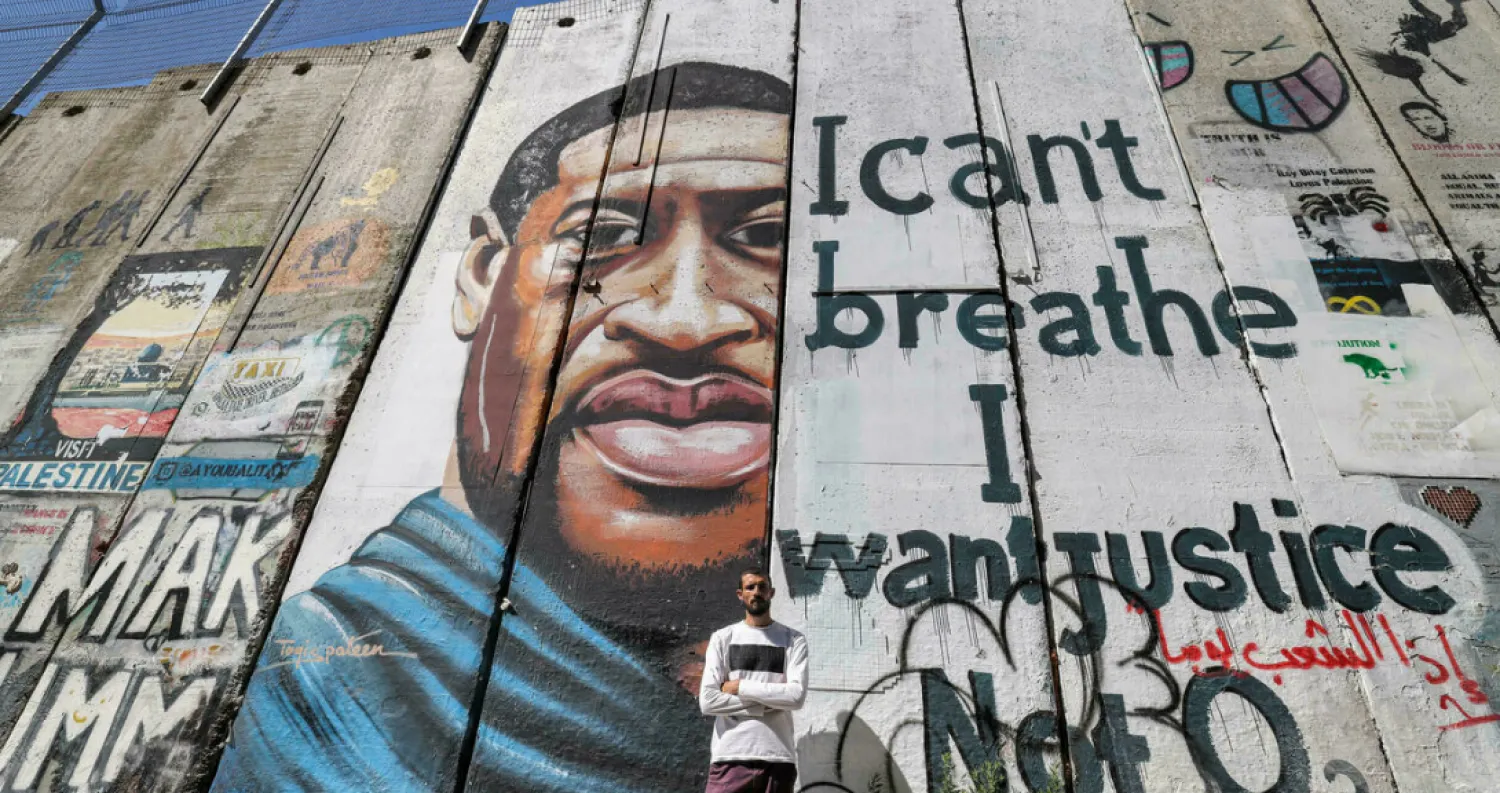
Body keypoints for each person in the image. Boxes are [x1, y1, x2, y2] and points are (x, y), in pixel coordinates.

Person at [211, 61, 792, 793]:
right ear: (480, 272)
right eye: (602, 236)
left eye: (767, 234)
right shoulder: (326, 675)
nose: (685, 321)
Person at [699, 569, 809, 793]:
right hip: (729, 755)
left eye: (762, 587)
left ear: (772, 593)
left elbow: (796, 697)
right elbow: (708, 701)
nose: (756, 592)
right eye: (750, 587)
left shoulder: (793, 640)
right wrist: (770, 701)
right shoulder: (723, 638)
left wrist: (740, 686)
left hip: (777, 756)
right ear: (740, 594)